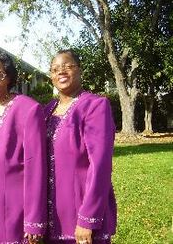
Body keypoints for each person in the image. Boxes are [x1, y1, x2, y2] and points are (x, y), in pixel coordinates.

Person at [0, 51, 47, 244]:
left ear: (9, 77)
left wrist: (34, 220)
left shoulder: (27, 109)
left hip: (15, 209)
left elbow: (36, 167)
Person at [44, 49, 117, 244]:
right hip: (52, 215)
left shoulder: (95, 106)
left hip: (80, 211)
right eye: (55, 69)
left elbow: (100, 165)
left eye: (68, 66)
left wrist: (87, 219)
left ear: (80, 70)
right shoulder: (47, 110)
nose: (61, 72)